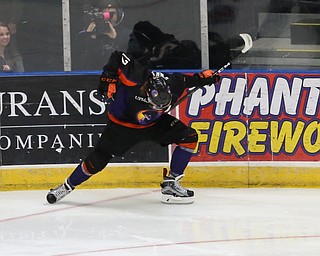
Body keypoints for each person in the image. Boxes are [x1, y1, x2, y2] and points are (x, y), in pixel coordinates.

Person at [46, 50, 220, 205]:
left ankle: (171, 183)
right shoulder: (135, 77)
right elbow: (117, 57)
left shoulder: (172, 84)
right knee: (98, 159)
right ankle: (67, 186)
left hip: (153, 124)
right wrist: (109, 79)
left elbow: (191, 79)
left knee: (189, 136)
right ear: (146, 91)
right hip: (122, 128)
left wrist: (205, 78)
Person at [74, 0, 130, 70]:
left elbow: (127, 62)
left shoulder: (126, 35)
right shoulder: (84, 36)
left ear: (118, 15)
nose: (108, 19)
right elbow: (79, 63)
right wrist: (89, 37)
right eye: (104, 15)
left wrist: (114, 40)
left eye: (111, 14)